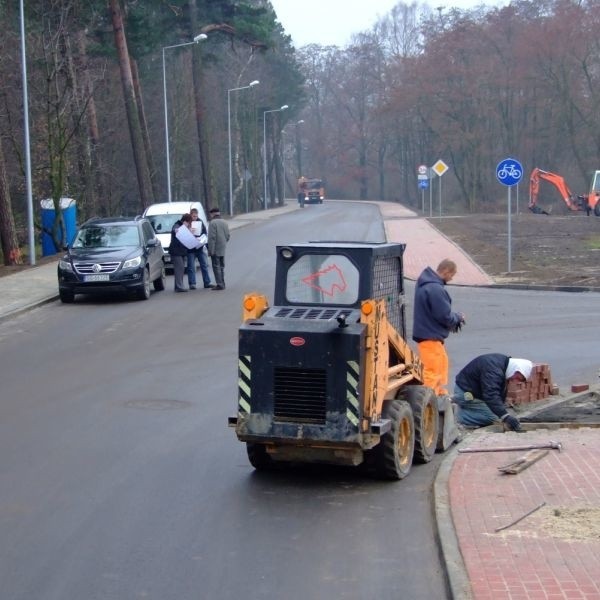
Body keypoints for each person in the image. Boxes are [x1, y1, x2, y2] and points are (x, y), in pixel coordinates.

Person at [412, 259, 465, 399]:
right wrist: (458, 318)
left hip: (429, 335)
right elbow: (444, 316)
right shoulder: (435, 289)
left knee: (441, 365)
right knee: (432, 371)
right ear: (446, 271)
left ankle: (439, 395)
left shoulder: (425, 284)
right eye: (452, 275)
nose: (451, 278)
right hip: (430, 336)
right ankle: (430, 400)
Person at [453, 353, 533, 431]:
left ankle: (466, 409)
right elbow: (491, 395)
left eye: (519, 380)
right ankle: (457, 416)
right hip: (465, 392)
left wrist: (502, 411)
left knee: (498, 413)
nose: (516, 381)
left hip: (475, 391)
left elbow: (496, 393)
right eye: (518, 377)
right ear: (516, 369)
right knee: (492, 418)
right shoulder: (494, 370)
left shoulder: (503, 365)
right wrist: (505, 416)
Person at [187, 208, 214, 289]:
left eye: (196, 216)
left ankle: (207, 282)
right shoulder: (187, 223)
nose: (195, 218)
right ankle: (192, 283)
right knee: (191, 267)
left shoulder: (200, 222)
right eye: (193, 216)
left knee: (204, 265)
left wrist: (202, 239)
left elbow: (205, 233)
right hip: (190, 248)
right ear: (190, 215)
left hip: (199, 247)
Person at [207, 207, 230, 291]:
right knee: (221, 267)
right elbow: (228, 236)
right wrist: (223, 243)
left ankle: (219, 284)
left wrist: (210, 250)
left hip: (215, 248)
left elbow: (211, 238)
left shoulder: (212, 223)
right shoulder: (224, 222)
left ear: (213, 214)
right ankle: (222, 283)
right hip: (222, 248)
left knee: (216, 267)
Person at [170, 213, 193, 292]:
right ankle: (180, 286)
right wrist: (177, 230)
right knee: (179, 268)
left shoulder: (183, 227)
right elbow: (174, 230)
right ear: (185, 221)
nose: (189, 224)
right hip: (176, 251)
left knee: (180, 268)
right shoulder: (177, 225)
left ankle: (178, 286)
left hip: (181, 251)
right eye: (188, 222)